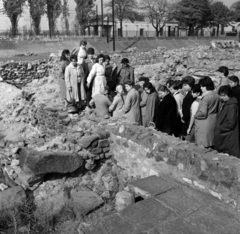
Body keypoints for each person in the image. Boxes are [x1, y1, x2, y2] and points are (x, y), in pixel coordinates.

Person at [195, 76, 220, 148]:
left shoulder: (205, 98)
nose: (200, 88)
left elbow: (203, 113)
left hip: (203, 124)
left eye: (201, 87)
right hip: (213, 121)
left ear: (205, 87)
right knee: (211, 144)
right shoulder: (217, 95)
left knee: (202, 145)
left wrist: (195, 115)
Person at [214, 85, 240, 158]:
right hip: (225, 135)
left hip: (227, 136)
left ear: (229, 95)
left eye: (224, 95)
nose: (222, 97)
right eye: (221, 95)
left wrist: (219, 128)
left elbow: (231, 123)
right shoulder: (226, 103)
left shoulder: (232, 106)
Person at [229, 75, 240, 141]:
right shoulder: (234, 89)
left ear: (236, 82)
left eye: (231, 82)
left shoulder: (237, 90)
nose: (230, 84)